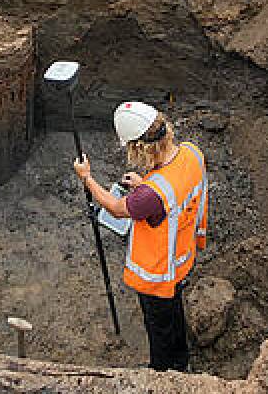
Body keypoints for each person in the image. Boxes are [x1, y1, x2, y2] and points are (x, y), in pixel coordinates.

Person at [72, 102, 208, 372]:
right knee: (173, 314)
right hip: (182, 259)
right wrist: (144, 185)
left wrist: (87, 178)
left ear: (140, 148)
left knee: (159, 328)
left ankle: (163, 372)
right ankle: (181, 359)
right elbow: (171, 186)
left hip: (159, 275)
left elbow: (116, 208)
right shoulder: (192, 153)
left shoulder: (151, 195)